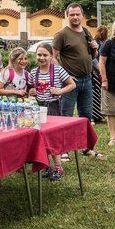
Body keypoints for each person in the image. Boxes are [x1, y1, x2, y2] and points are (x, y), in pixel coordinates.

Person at [30, 42, 77, 181]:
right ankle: (46, 165)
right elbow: (32, 90)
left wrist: (59, 91)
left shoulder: (57, 70)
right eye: (39, 55)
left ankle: (58, 167)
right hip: (39, 107)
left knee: (53, 137)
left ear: (51, 56)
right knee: (41, 136)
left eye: (45, 55)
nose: (42, 58)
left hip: (53, 105)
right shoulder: (34, 72)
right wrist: (31, 91)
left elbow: (72, 84)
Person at [52, 3, 95, 120]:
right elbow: (52, 57)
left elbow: (92, 56)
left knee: (86, 115)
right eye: (72, 15)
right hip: (70, 82)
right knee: (66, 115)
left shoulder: (86, 32)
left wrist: (95, 48)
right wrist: (65, 75)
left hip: (87, 79)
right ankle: (65, 139)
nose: (75, 17)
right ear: (67, 15)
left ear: (82, 16)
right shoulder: (62, 34)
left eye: (77, 14)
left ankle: (84, 138)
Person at [92, 26, 109, 123]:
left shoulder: (104, 42)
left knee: (100, 95)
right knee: (94, 95)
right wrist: (99, 68)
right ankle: (93, 117)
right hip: (95, 72)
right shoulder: (95, 42)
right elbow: (93, 58)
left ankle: (99, 116)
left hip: (102, 72)